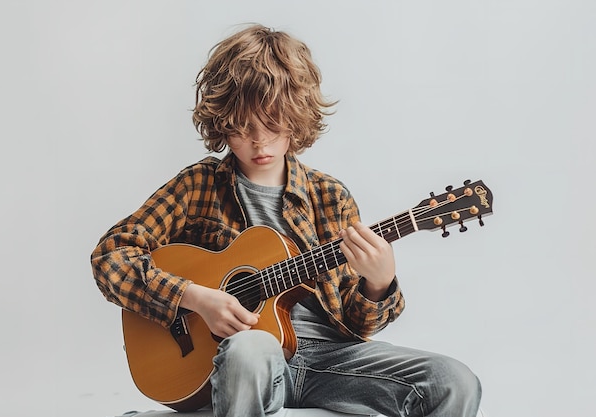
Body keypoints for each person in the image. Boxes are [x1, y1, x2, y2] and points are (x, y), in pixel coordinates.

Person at [91, 24, 482, 417]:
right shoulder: (199, 186)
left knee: (454, 381)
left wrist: (378, 283)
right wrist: (197, 298)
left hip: (330, 358)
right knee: (248, 348)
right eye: (244, 128)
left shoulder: (329, 196)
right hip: (246, 357)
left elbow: (358, 326)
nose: (260, 142)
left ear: (296, 118)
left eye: (273, 124)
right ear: (222, 122)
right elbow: (111, 256)